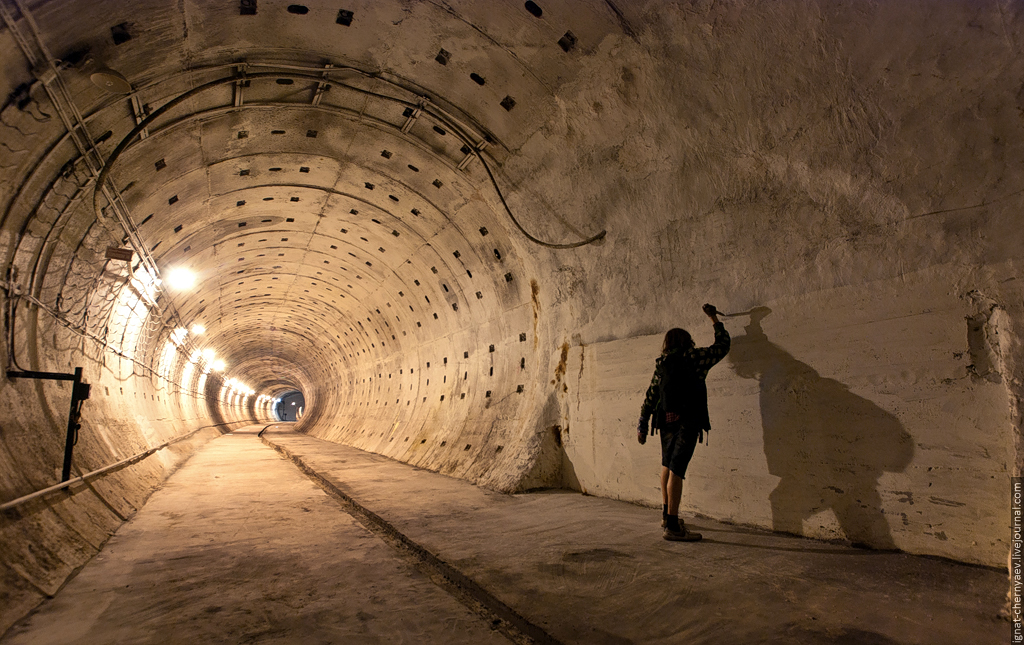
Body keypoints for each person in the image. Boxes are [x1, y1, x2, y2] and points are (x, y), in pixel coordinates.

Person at [637, 303, 730, 541]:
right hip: (688, 422)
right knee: (677, 471)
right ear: (687, 341)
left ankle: (666, 515)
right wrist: (714, 319)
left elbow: (651, 395)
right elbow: (722, 346)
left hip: (666, 423)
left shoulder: (662, 364)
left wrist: (643, 423)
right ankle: (673, 527)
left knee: (667, 466)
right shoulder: (695, 358)